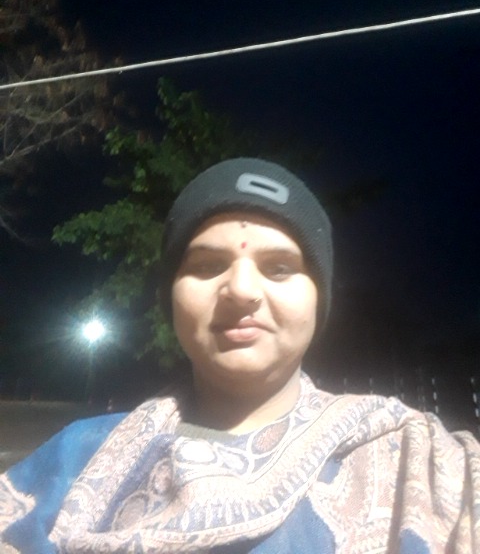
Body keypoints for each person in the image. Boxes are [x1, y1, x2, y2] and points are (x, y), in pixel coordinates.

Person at [1, 157, 479, 554]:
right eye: (208, 265)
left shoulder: (420, 461)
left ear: (319, 300)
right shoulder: (77, 455)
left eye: (279, 268)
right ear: (171, 298)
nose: (242, 290)